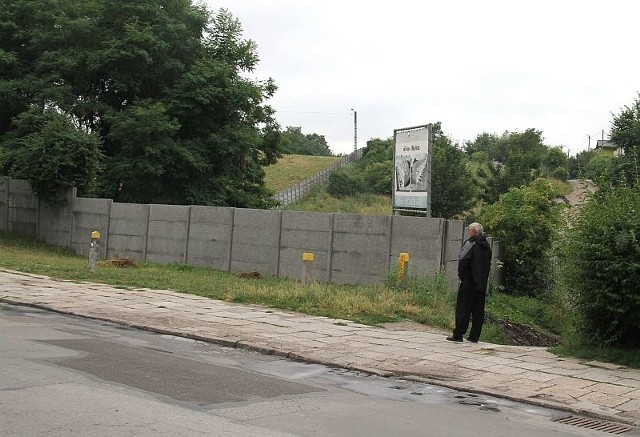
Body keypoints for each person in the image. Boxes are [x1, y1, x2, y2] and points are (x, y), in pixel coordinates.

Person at [446, 222, 492, 343]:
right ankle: (474, 336)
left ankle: (458, 334)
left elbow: (463, 260)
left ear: (473, 232)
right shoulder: (487, 246)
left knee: (463, 308)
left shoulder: (470, 243)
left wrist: (463, 276)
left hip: (469, 282)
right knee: (478, 311)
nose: (468, 232)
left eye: (470, 230)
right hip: (482, 283)